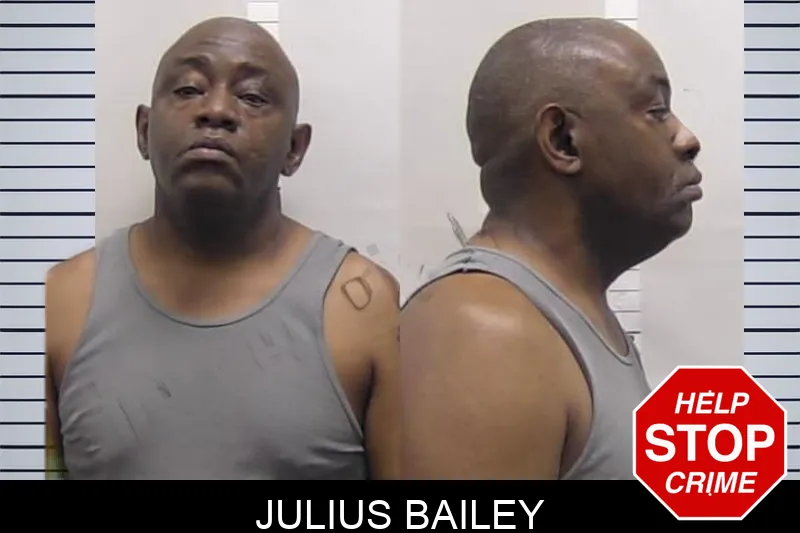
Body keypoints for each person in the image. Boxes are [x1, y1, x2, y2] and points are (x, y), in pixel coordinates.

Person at [44, 17, 400, 480]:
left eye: (252, 97)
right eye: (189, 89)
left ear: (295, 148)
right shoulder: (61, 301)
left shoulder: (363, 307)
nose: (216, 110)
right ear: (144, 130)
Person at [399, 18, 702, 480]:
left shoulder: (563, 316)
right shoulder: (485, 330)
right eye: (657, 111)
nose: (687, 139)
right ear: (563, 140)